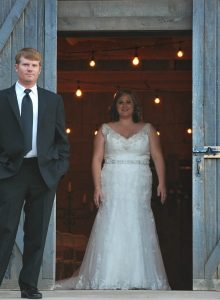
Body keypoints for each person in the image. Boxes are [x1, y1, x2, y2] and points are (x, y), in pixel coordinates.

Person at [56, 89, 170, 290]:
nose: (125, 106)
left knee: (137, 219)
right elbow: (96, 159)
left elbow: (158, 156)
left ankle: (140, 276)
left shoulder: (148, 129)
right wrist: (97, 187)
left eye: (128, 102)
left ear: (134, 106)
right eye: (120, 103)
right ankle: (108, 274)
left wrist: (162, 182)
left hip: (139, 179)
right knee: (112, 220)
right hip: (113, 178)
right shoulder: (104, 129)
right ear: (115, 107)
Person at [0, 48, 70, 299]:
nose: (30, 69)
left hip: (43, 173)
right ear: (16, 67)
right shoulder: (2, 98)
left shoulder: (53, 100)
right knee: (4, 229)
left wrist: (59, 169)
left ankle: (29, 286)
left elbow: (62, 139)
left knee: (37, 232)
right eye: (26, 64)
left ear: (40, 69)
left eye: (34, 65)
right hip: (10, 173)